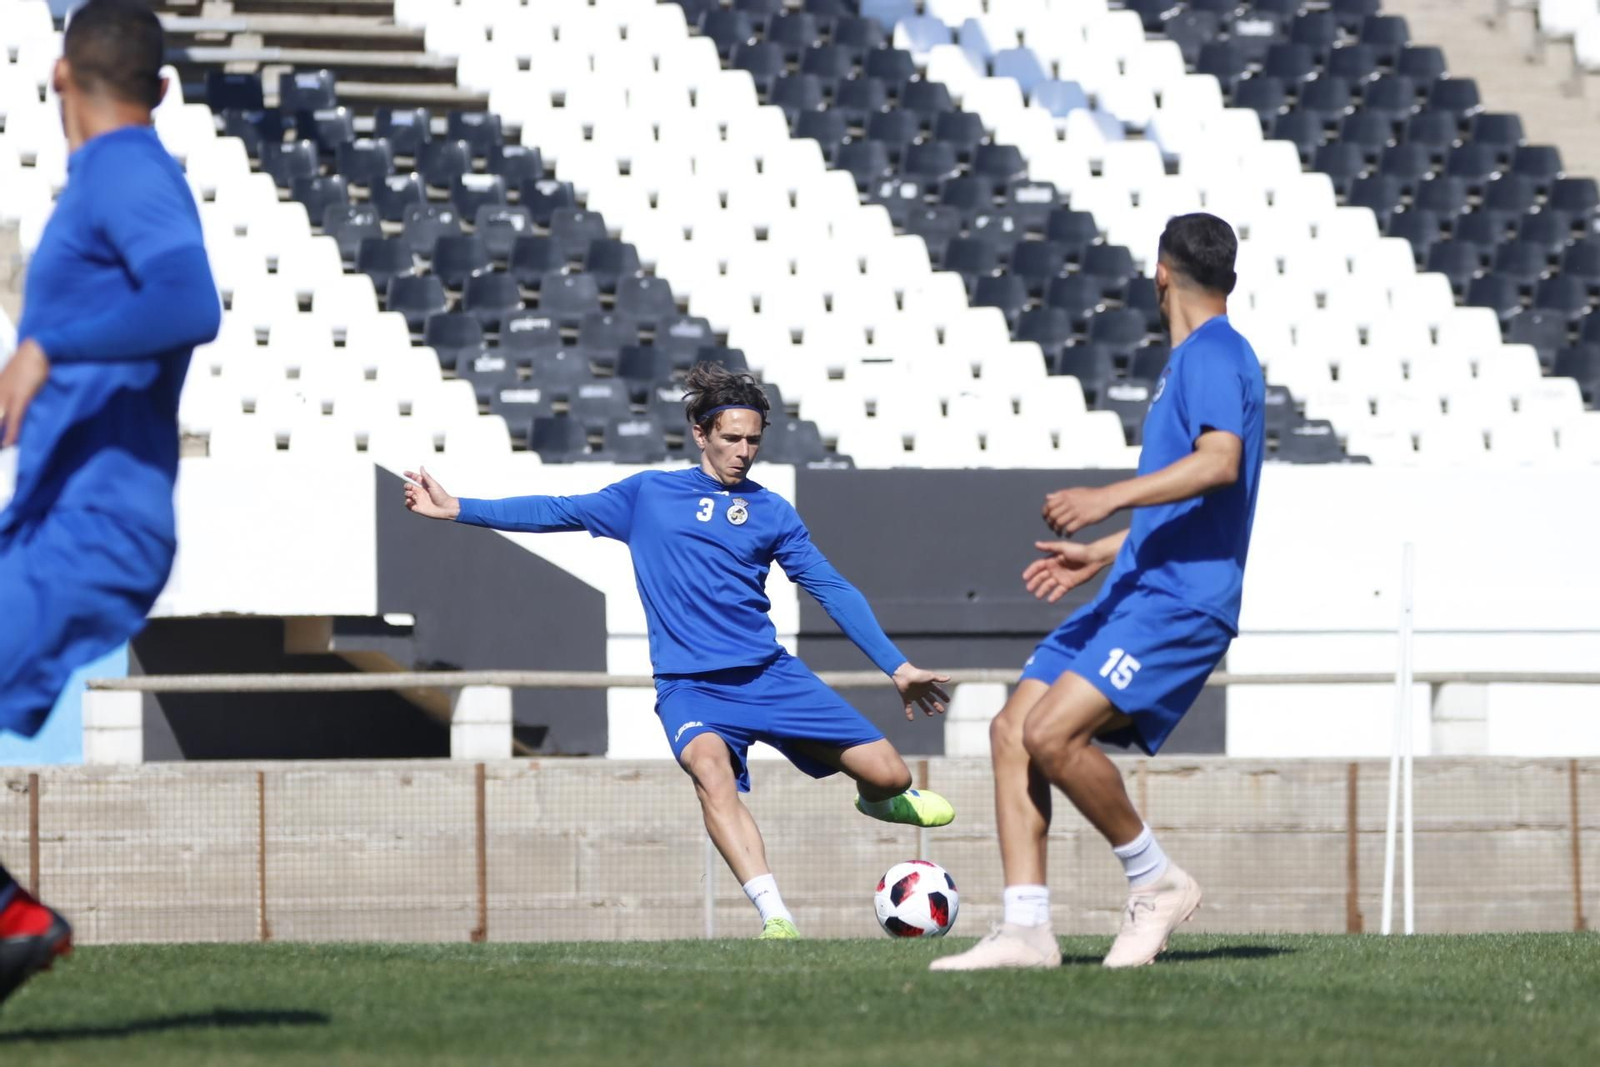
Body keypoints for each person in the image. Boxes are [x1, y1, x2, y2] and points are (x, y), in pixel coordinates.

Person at [404, 362, 955, 939]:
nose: (743, 451)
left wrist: (897, 666)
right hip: (691, 688)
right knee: (710, 772)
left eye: (753, 441)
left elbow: (831, 588)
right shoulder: (648, 496)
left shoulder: (772, 512)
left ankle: (880, 799)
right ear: (700, 433)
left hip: (769, 677)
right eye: (731, 438)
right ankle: (777, 919)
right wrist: (458, 507)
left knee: (890, 774)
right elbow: (556, 509)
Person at [932, 213, 1264, 971]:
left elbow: (1219, 463)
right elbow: (1194, 502)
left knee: (1052, 733)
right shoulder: (1191, 363)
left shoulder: (1214, 351)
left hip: (1181, 601)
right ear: (1230, 280)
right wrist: (1103, 553)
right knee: (1013, 728)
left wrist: (1106, 498)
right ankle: (1026, 927)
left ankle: (1156, 880)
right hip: (1138, 585)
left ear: (1159, 272)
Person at [0, 0, 219, 1006]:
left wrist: (49, 345)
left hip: (94, 528)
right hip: (59, 522)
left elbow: (190, 302)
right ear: (163, 84)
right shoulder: (109, 177)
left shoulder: (129, 167)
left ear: (58, 78)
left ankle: (10, 917)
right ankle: (10, 921)